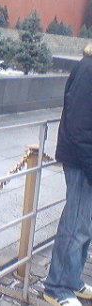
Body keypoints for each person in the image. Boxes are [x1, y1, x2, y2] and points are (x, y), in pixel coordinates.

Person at [43, 42, 92, 306]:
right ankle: (57, 287)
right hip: (83, 161)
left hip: (85, 159)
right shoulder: (89, 69)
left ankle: (71, 280)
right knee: (75, 225)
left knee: (84, 226)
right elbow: (79, 125)